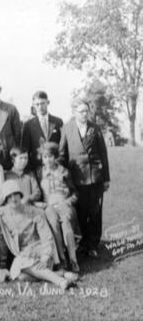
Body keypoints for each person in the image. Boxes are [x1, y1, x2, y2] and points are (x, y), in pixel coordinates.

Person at [0, 181, 78, 289]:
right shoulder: (2, 216)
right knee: (20, 276)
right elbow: (1, 242)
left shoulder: (34, 212)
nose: (13, 198)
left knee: (20, 263)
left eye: (15, 194)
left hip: (41, 252)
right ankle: (61, 274)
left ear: (21, 195)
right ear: (5, 200)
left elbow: (47, 238)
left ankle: (60, 281)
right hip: (23, 257)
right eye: (9, 196)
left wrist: (45, 256)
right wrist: (2, 263)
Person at [59, 97, 110, 258]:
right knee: (80, 211)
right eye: (82, 111)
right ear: (74, 112)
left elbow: (103, 154)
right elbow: (62, 153)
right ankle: (82, 243)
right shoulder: (67, 128)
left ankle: (93, 244)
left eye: (87, 111)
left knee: (95, 211)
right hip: (76, 178)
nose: (85, 114)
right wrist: (61, 176)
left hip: (95, 176)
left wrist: (106, 178)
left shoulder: (95, 128)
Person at [36, 142, 80, 273]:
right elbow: (37, 193)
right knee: (54, 222)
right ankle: (62, 259)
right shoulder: (39, 172)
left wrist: (69, 201)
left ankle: (73, 259)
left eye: (50, 156)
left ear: (55, 157)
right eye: (44, 157)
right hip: (48, 205)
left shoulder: (64, 171)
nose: (47, 160)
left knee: (65, 221)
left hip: (64, 203)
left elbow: (75, 192)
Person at [21, 91, 64, 171]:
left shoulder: (58, 122)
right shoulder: (28, 125)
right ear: (33, 105)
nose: (40, 107)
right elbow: (25, 148)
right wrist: (29, 168)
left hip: (55, 165)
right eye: (37, 104)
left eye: (42, 103)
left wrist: (59, 162)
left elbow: (62, 145)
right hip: (37, 166)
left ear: (48, 102)